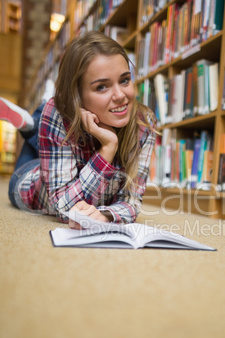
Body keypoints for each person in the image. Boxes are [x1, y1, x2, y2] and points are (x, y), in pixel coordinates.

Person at [1, 31, 157, 229]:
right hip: (29, 182)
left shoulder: (144, 123)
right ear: (77, 95)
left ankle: (32, 126)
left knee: (47, 129)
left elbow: (132, 202)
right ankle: (33, 124)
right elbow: (65, 209)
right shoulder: (58, 114)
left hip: (58, 162)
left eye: (125, 80)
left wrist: (107, 215)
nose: (120, 95)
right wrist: (108, 147)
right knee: (51, 116)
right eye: (102, 87)